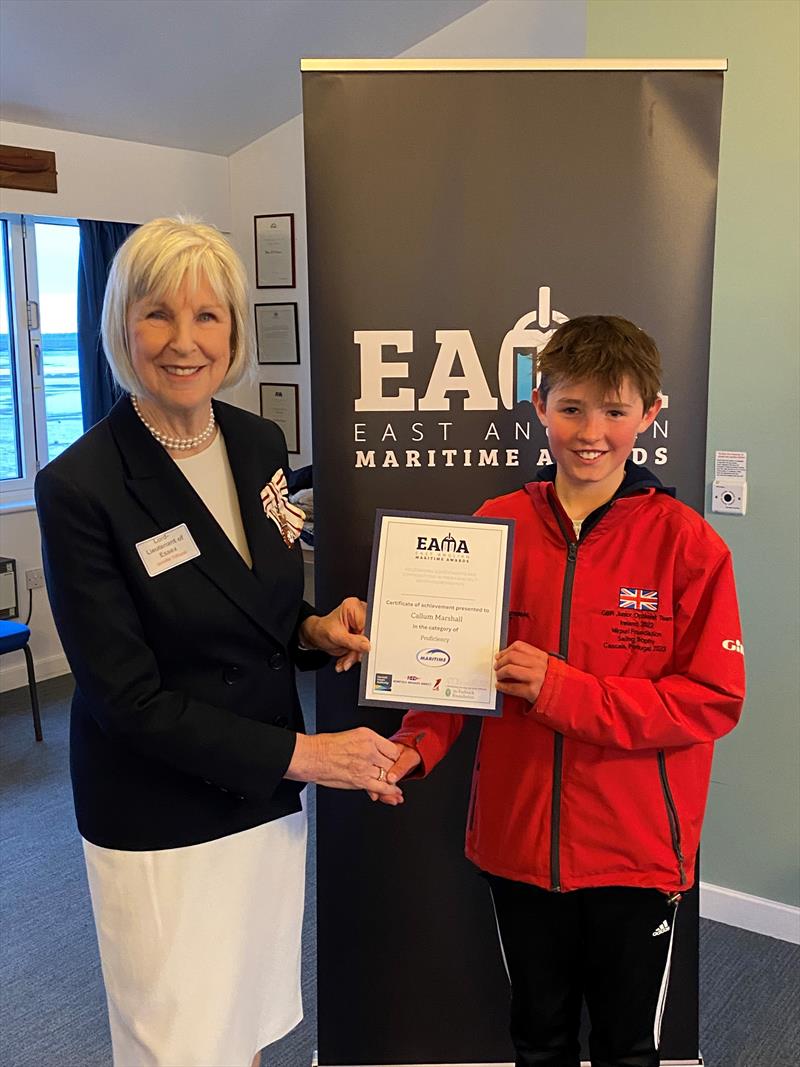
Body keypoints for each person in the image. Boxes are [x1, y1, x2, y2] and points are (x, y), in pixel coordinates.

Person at [35, 216, 402, 1067]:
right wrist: (309, 754)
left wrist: (311, 629)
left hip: (258, 802)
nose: (184, 341)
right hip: (161, 815)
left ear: (235, 330)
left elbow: (257, 605)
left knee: (240, 1026)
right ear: (121, 325)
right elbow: (126, 701)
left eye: (209, 316)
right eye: (157, 313)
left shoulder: (258, 442)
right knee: (175, 1042)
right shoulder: (80, 487)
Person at [380, 316, 745, 1067]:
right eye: (572, 407)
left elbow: (712, 698)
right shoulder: (496, 524)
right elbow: (453, 668)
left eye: (615, 410)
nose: (592, 431)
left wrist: (562, 688)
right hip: (519, 843)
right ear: (539, 405)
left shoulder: (688, 544)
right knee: (537, 1040)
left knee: (626, 1049)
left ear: (650, 412)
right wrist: (414, 747)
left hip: (637, 852)